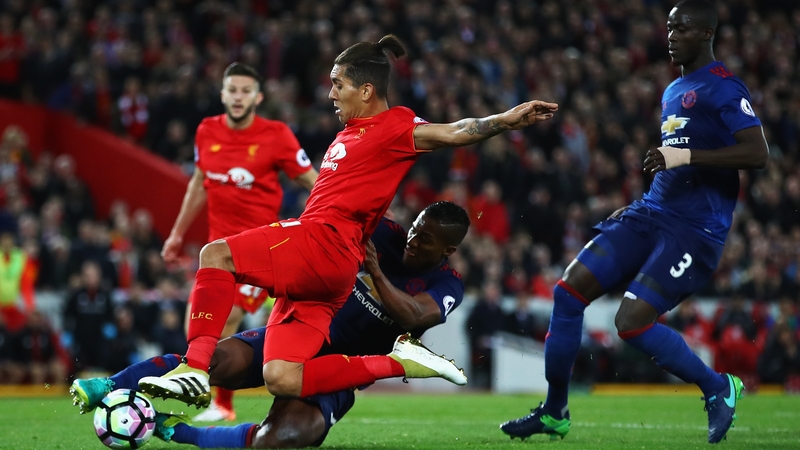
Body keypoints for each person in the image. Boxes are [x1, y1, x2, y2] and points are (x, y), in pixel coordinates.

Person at [138, 34, 558, 407]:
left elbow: (456, 131)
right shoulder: (347, 133)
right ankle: (396, 363)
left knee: (216, 255)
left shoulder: (395, 126)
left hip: (321, 241)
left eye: (338, 85)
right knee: (282, 378)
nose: (331, 94)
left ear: (366, 89)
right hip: (335, 273)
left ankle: (192, 369)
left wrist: (504, 120)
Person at [499, 0, 768, 444]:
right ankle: (554, 410)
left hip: (694, 231)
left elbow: (757, 154)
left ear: (705, 34)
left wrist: (682, 156)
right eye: (668, 26)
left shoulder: (724, 87)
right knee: (567, 292)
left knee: (632, 322)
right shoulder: (672, 91)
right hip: (650, 214)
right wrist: (640, 202)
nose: (671, 34)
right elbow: (674, 168)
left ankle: (719, 387)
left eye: (682, 28)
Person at [72, 202, 470, 448]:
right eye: (417, 228)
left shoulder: (447, 283)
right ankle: (110, 385)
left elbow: (415, 316)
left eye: (427, 239)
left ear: (447, 251)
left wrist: (375, 272)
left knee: (278, 441)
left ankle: (174, 431)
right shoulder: (384, 231)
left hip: (338, 372)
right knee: (212, 360)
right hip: (298, 331)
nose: (414, 240)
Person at [162, 62, 319, 421]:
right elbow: (198, 182)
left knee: (228, 315)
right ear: (222, 94)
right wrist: (176, 234)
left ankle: (223, 404)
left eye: (245, 91)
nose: (238, 96)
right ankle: (218, 400)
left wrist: (328, 222)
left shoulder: (276, 135)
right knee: (197, 325)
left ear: (258, 97)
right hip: (217, 250)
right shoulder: (206, 131)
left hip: (260, 250)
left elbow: (312, 181)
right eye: (232, 89)